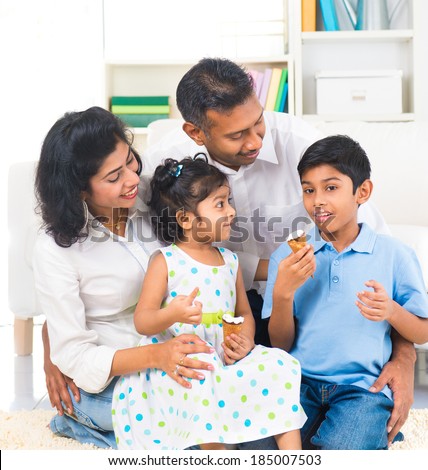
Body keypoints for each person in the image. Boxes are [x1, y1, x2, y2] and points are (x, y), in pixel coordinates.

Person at [142, 57, 417, 445]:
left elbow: (380, 252)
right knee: (246, 438)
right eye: (237, 135)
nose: (255, 140)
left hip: (300, 317)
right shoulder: (165, 170)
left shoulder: (302, 147)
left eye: (258, 123)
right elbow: (138, 263)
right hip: (226, 318)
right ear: (196, 132)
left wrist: (404, 357)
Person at [33, 107, 215, 449]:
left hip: (172, 352)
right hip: (111, 377)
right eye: (114, 177)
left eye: (129, 160)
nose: (132, 178)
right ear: (79, 191)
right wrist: (157, 356)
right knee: (192, 436)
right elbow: (75, 355)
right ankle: (82, 423)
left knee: (236, 423)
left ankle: (108, 434)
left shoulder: (145, 195)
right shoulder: (54, 250)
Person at [112, 157, 307, 450]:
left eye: (229, 201)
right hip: (188, 360)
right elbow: (143, 319)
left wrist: (246, 338)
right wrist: (171, 313)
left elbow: (243, 312)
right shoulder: (166, 261)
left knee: (279, 364)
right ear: (185, 219)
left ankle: (293, 457)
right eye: (220, 204)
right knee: (202, 380)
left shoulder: (229, 260)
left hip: (225, 355)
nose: (231, 211)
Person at [261, 135, 428, 449]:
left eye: (331, 187)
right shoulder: (286, 257)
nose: (318, 200)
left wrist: (392, 311)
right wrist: (282, 295)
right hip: (297, 384)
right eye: (309, 190)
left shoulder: (396, 255)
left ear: (362, 192)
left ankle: (369, 428)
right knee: (257, 450)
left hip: (362, 388)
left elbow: (422, 331)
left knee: (344, 452)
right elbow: (280, 343)